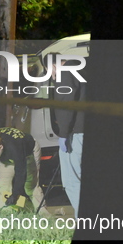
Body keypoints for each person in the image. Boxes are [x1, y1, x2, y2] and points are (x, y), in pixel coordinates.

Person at [46, 54, 86, 219]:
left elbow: (65, 104)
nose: (52, 77)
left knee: (72, 181)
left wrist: (63, 134)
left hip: (77, 134)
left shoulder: (65, 71)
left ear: (53, 65)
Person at [0, 127, 51, 217]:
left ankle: (43, 212)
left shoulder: (16, 147)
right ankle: (5, 213)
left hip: (28, 153)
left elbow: (21, 173)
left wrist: (15, 194)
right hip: (6, 156)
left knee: (30, 185)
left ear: (0, 147)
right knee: (4, 185)